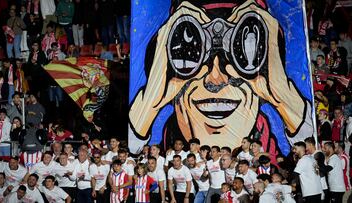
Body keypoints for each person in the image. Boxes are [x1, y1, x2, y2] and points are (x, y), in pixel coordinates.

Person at [128, 0, 314, 160]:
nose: (215, 79)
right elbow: (132, 159)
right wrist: (146, 108)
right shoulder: (166, 158)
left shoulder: (276, 163)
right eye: (193, 55)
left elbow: (309, 153)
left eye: (239, 53)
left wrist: (284, 98)